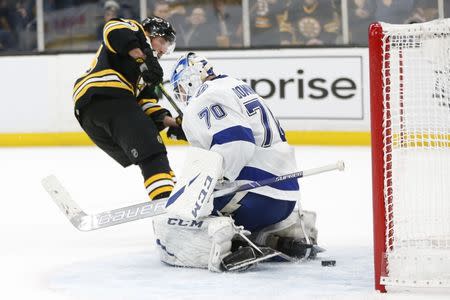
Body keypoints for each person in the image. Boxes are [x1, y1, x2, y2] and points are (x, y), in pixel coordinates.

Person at [152, 52, 319, 272]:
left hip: (252, 197)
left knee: (173, 220)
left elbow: (237, 141)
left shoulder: (205, 96)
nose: (182, 95)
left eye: (181, 88)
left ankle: (220, 238)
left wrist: (211, 183)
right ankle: (283, 232)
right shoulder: (236, 86)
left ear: (190, 78)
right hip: (285, 199)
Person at [73, 16, 186, 201]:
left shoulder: (147, 74)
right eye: (162, 41)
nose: (164, 50)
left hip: (92, 114)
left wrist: (174, 122)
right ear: (150, 33)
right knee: (151, 148)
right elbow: (112, 27)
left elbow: (146, 105)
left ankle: (169, 190)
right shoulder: (135, 30)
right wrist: (143, 58)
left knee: (148, 144)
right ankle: (166, 201)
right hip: (106, 94)